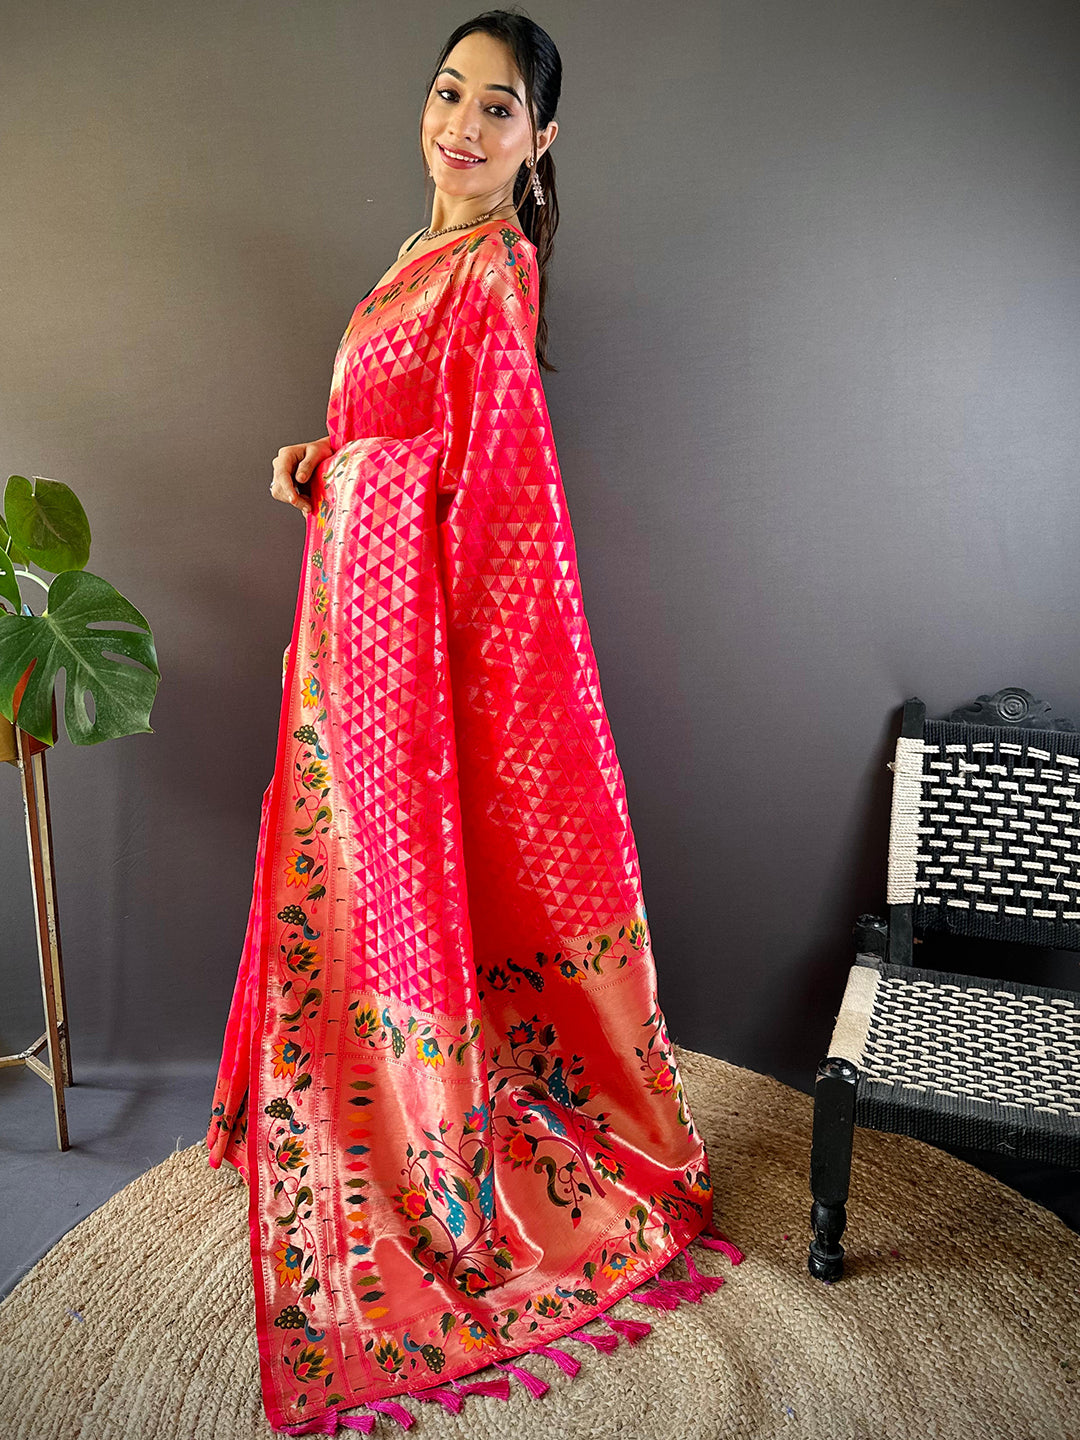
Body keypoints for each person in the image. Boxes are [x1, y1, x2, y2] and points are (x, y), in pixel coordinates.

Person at [206, 11, 740, 1435]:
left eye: (499, 109)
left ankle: (430, 1144)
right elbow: (416, 448)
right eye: (450, 94)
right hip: (360, 634)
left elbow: (490, 496)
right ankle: (379, 1108)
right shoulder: (416, 256)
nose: (462, 124)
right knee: (378, 902)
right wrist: (333, 464)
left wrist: (354, 483)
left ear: (541, 140)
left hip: (407, 657)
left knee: (407, 902)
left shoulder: (495, 269)